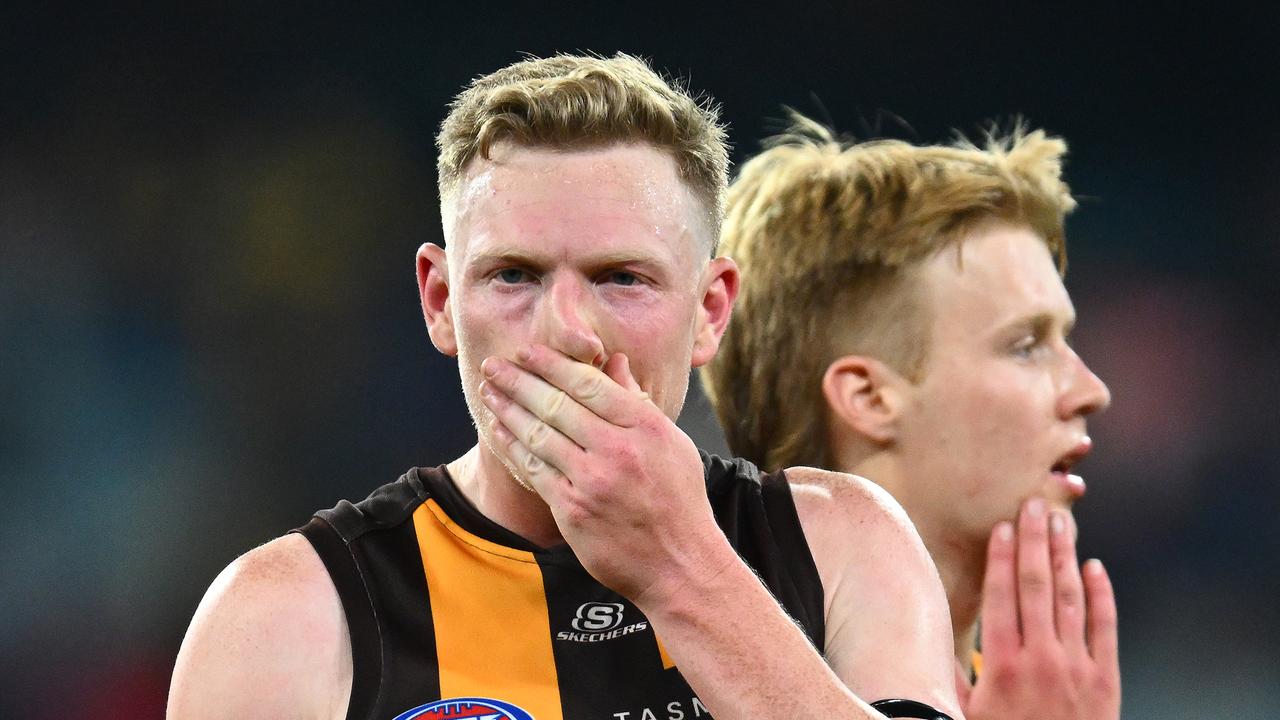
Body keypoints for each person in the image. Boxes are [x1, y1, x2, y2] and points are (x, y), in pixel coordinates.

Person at [167, 55, 964, 720]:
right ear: (441, 302)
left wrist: (677, 568)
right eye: (513, 275)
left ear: (711, 310)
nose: (568, 333)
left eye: (623, 278)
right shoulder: (284, 618)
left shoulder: (844, 545)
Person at [701, 114, 1121, 720]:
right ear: (869, 399)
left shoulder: (1051, 700)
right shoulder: (683, 687)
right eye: (1026, 345)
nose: (1090, 391)